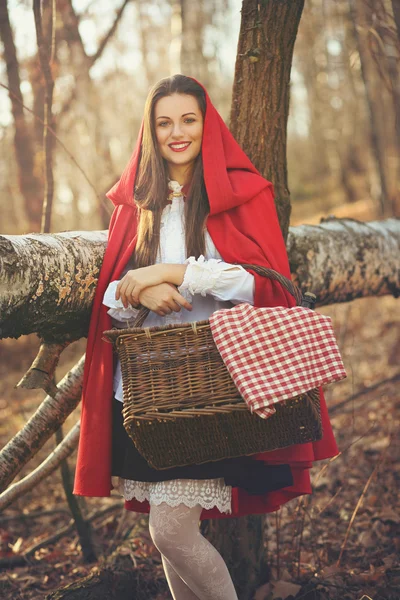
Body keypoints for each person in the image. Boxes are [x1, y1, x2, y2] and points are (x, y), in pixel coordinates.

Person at [73, 74, 339, 599]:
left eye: (188, 120)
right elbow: (115, 302)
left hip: (213, 388)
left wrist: (169, 272)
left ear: (206, 123)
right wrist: (139, 292)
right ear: (150, 130)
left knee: (169, 530)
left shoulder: (240, 194)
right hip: (146, 395)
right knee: (173, 535)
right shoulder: (137, 206)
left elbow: (256, 285)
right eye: (164, 122)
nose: (177, 132)